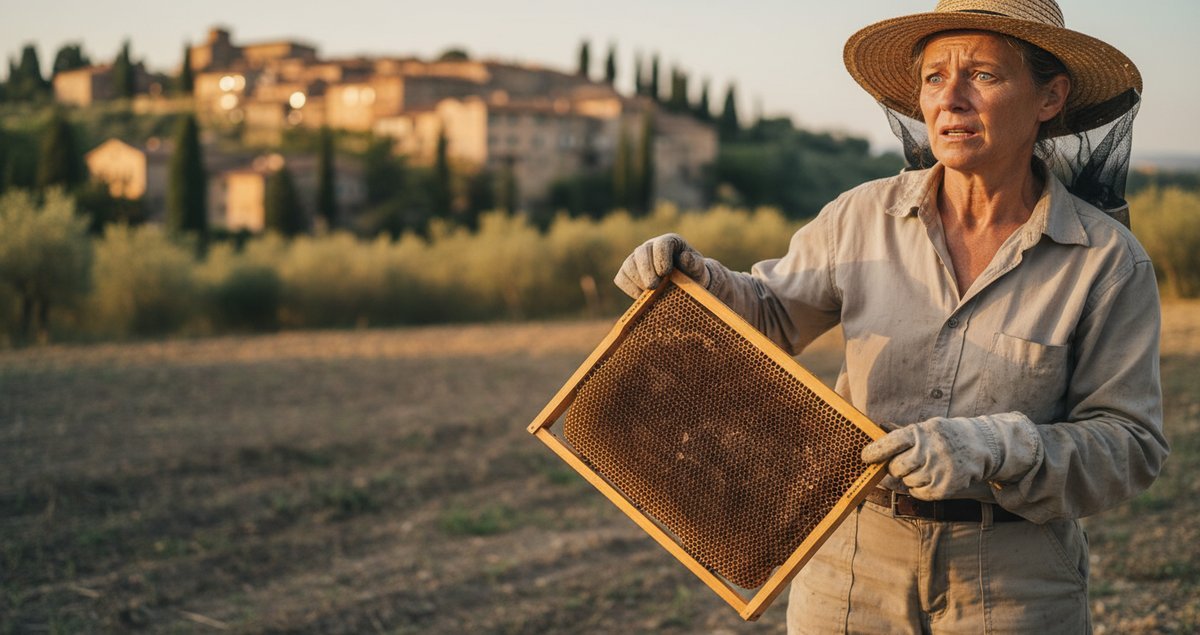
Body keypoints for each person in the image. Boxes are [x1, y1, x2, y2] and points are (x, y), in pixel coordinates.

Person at [614, 0, 1168, 631]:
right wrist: (694, 280)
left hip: (1016, 575)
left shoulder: (1106, 260)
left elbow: (1130, 445)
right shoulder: (859, 216)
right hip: (851, 559)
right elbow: (769, 313)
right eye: (934, 77)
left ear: (1050, 97)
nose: (951, 99)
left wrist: (996, 447)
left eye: (983, 75)